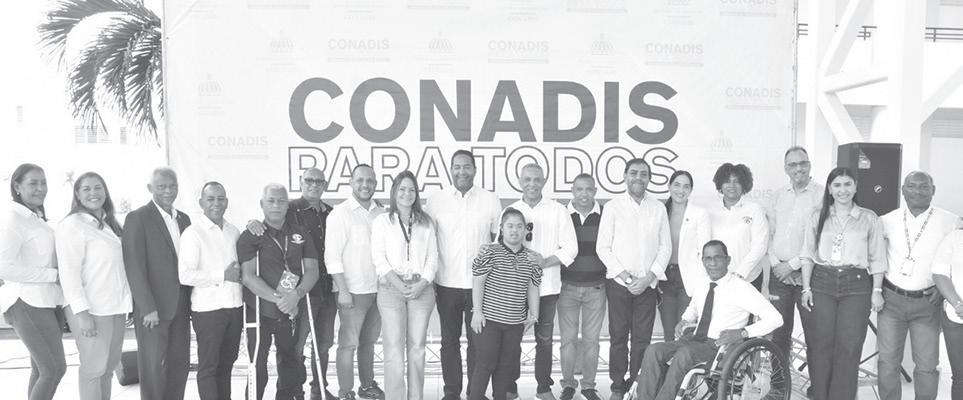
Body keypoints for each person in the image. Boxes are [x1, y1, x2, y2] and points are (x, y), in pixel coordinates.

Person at [635, 240, 783, 400]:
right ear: (703, 261)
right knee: (653, 350)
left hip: (719, 346)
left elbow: (776, 319)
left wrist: (742, 333)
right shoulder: (702, 282)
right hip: (693, 339)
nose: (712, 263)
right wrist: (685, 320)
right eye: (708, 258)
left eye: (717, 257)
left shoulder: (742, 288)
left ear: (728, 260)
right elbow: (694, 307)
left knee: (684, 355)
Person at [248, 168, 337, 400]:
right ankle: (292, 391)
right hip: (299, 292)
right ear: (301, 182)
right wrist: (252, 222)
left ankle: (317, 389)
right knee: (293, 348)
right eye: (309, 180)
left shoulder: (331, 213)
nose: (314, 184)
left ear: (325, 185)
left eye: (319, 181)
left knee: (323, 344)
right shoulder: (290, 209)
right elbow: (268, 223)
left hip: (326, 287)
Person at [799, 167, 886, 400]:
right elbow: (807, 255)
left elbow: (878, 257)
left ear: (855, 187)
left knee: (850, 345)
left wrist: (877, 290)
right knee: (820, 344)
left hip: (856, 285)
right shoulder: (817, 216)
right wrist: (806, 288)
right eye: (837, 185)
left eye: (848, 184)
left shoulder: (869, 218)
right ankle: (820, 395)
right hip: (822, 282)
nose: (843, 190)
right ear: (829, 189)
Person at [425, 150, 502, 400]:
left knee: (478, 343)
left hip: (480, 286)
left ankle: (474, 393)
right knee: (449, 342)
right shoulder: (435, 201)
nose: (462, 172)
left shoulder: (490, 200)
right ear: (451, 170)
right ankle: (451, 392)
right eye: (457, 167)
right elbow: (428, 241)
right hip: (446, 283)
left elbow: (497, 241)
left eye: (467, 167)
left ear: (475, 170)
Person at [878, 171, 959, 400]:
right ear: (903, 190)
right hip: (891, 301)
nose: (918, 191)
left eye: (924, 186)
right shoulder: (887, 220)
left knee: (927, 366)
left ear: (933, 190)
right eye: (912, 186)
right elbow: (875, 257)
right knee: (887, 363)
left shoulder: (951, 221)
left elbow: (958, 261)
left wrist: (943, 289)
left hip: (928, 303)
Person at [596, 158, 671, 400]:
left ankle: (637, 386)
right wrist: (628, 279)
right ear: (625, 176)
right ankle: (618, 387)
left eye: (644, 174)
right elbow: (603, 248)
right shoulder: (612, 207)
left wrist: (648, 277)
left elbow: (665, 247)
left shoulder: (658, 208)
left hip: (648, 285)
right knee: (618, 337)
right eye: (634, 173)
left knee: (642, 339)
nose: (638, 177)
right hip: (619, 284)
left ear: (649, 178)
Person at [238, 183, 320, 400]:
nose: (276, 205)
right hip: (260, 310)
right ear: (262, 204)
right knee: (258, 362)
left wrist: (296, 295)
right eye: (271, 201)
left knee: (290, 361)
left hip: (291, 310)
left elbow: (312, 270)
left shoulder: (300, 233)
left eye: (281, 201)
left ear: (287, 205)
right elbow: (248, 277)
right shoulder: (250, 235)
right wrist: (281, 300)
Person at [56, 172, 132, 400]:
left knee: (108, 369)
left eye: (98, 187)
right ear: (77, 195)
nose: (93, 193)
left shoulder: (110, 224)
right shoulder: (72, 225)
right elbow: (68, 273)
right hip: (91, 309)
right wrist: (82, 314)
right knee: (94, 369)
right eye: (86, 189)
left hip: (115, 307)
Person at [506, 163, 578, 400]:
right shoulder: (511, 210)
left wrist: (545, 261)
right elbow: (500, 246)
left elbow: (571, 248)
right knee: (512, 338)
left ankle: (543, 388)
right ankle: (510, 387)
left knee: (545, 340)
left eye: (537, 179)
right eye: (527, 179)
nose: (532, 184)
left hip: (547, 287)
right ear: (520, 181)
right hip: (515, 288)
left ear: (544, 181)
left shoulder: (557, 210)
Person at [121, 167, 192, 400]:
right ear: (150, 188)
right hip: (153, 309)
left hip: (181, 304)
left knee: (179, 364)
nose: (168, 191)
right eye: (162, 186)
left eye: (172, 186)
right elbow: (134, 265)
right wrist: (147, 307)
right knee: (152, 367)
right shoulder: (137, 218)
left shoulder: (184, 219)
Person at [0, 163, 66, 400]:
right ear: (17, 186)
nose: (40, 188)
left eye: (43, 182)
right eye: (33, 183)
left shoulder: (34, 217)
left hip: (47, 300)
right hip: (27, 301)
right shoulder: (13, 218)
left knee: (41, 370)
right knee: (54, 369)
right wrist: (52, 275)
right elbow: (4, 267)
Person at [371, 171, 439, 400]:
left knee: (417, 348)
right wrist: (398, 284)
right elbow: (378, 257)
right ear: (394, 192)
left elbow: (433, 258)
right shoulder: (382, 221)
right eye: (402, 189)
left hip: (421, 289)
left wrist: (422, 283)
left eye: (411, 190)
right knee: (393, 349)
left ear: (416, 194)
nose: (407, 194)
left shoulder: (426, 221)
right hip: (391, 290)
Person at [326, 164, 387, 400]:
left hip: (379, 290)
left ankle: (367, 385)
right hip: (352, 291)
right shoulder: (340, 214)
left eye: (370, 181)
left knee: (368, 342)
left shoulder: (381, 213)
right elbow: (332, 256)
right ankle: (346, 391)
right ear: (351, 182)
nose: (365, 185)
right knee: (348, 344)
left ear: (375, 184)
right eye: (360, 180)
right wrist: (342, 290)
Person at [178, 182, 243, 400]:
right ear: (201, 203)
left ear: (227, 202)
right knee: (209, 367)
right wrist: (222, 275)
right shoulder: (192, 233)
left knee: (227, 364)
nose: (216, 203)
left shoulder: (233, 231)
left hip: (234, 306)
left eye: (221, 198)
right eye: (211, 199)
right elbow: (185, 275)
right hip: (208, 310)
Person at [468, 208, 541, 400]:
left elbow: (533, 287)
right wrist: (477, 312)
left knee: (505, 368)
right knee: (485, 364)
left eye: (519, 226)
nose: (514, 230)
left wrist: (534, 315)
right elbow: (478, 281)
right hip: (488, 322)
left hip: (515, 324)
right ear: (501, 228)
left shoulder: (532, 257)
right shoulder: (490, 252)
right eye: (510, 226)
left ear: (525, 229)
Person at [765, 147, 821, 374]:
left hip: (809, 276)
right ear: (785, 168)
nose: (798, 168)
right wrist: (777, 265)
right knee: (779, 334)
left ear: (809, 165)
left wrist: (792, 265)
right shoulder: (778, 195)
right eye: (792, 165)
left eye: (802, 163)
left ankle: (818, 387)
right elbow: (769, 234)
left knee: (814, 335)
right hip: (779, 275)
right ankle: (779, 386)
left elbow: (821, 237)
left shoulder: (822, 195)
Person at [558, 173, 606, 400]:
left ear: (595, 191)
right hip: (567, 287)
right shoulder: (562, 214)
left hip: (596, 288)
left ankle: (588, 386)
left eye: (588, 189)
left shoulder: (605, 214)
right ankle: (568, 385)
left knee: (591, 341)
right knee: (567, 341)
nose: (584, 194)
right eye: (579, 189)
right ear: (572, 191)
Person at [660, 170, 711, 342]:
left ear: (691, 190)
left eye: (686, 186)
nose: (680, 190)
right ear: (669, 186)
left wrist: (700, 283)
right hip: (664, 278)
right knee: (669, 332)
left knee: (684, 331)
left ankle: (682, 361)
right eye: (676, 185)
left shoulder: (699, 213)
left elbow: (705, 251)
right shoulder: (661, 211)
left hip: (688, 279)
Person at [709, 163, 769, 289]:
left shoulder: (754, 209)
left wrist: (740, 273)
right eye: (727, 181)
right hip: (718, 278)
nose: (732, 185)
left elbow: (760, 245)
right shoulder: (710, 211)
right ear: (720, 185)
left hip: (748, 278)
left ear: (744, 185)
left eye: (737, 181)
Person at [932, 228, 963, 400]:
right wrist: (957, 303)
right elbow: (939, 273)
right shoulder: (955, 237)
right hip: (957, 317)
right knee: (961, 378)